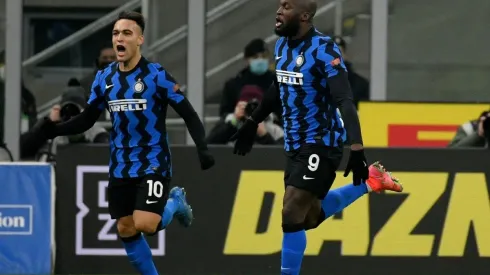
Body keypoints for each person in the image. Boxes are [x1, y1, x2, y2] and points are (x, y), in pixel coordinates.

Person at [35, 11, 215, 275]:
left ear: (139, 39)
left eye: (127, 33)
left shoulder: (156, 75)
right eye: (116, 33)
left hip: (153, 161)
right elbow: (87, 119)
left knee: (146, 224)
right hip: (120, 165)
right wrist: (54, 130)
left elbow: (188, 113)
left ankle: (174, 202)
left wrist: (203, 147)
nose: (119, 38)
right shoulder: (104, 79)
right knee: (125, 227)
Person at [229, 1, 402, 274]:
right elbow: (278, 86)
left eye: (287, 6)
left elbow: (345, 99)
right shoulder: (282, 45)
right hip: (294, 142)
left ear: (305, 16)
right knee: (308, 217)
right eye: (279, 5)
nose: (279, 11)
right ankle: (370, 182)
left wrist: (356, 147)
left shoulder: (324, 49)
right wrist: (253, 122)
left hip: (322, 141)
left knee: (290, 211)